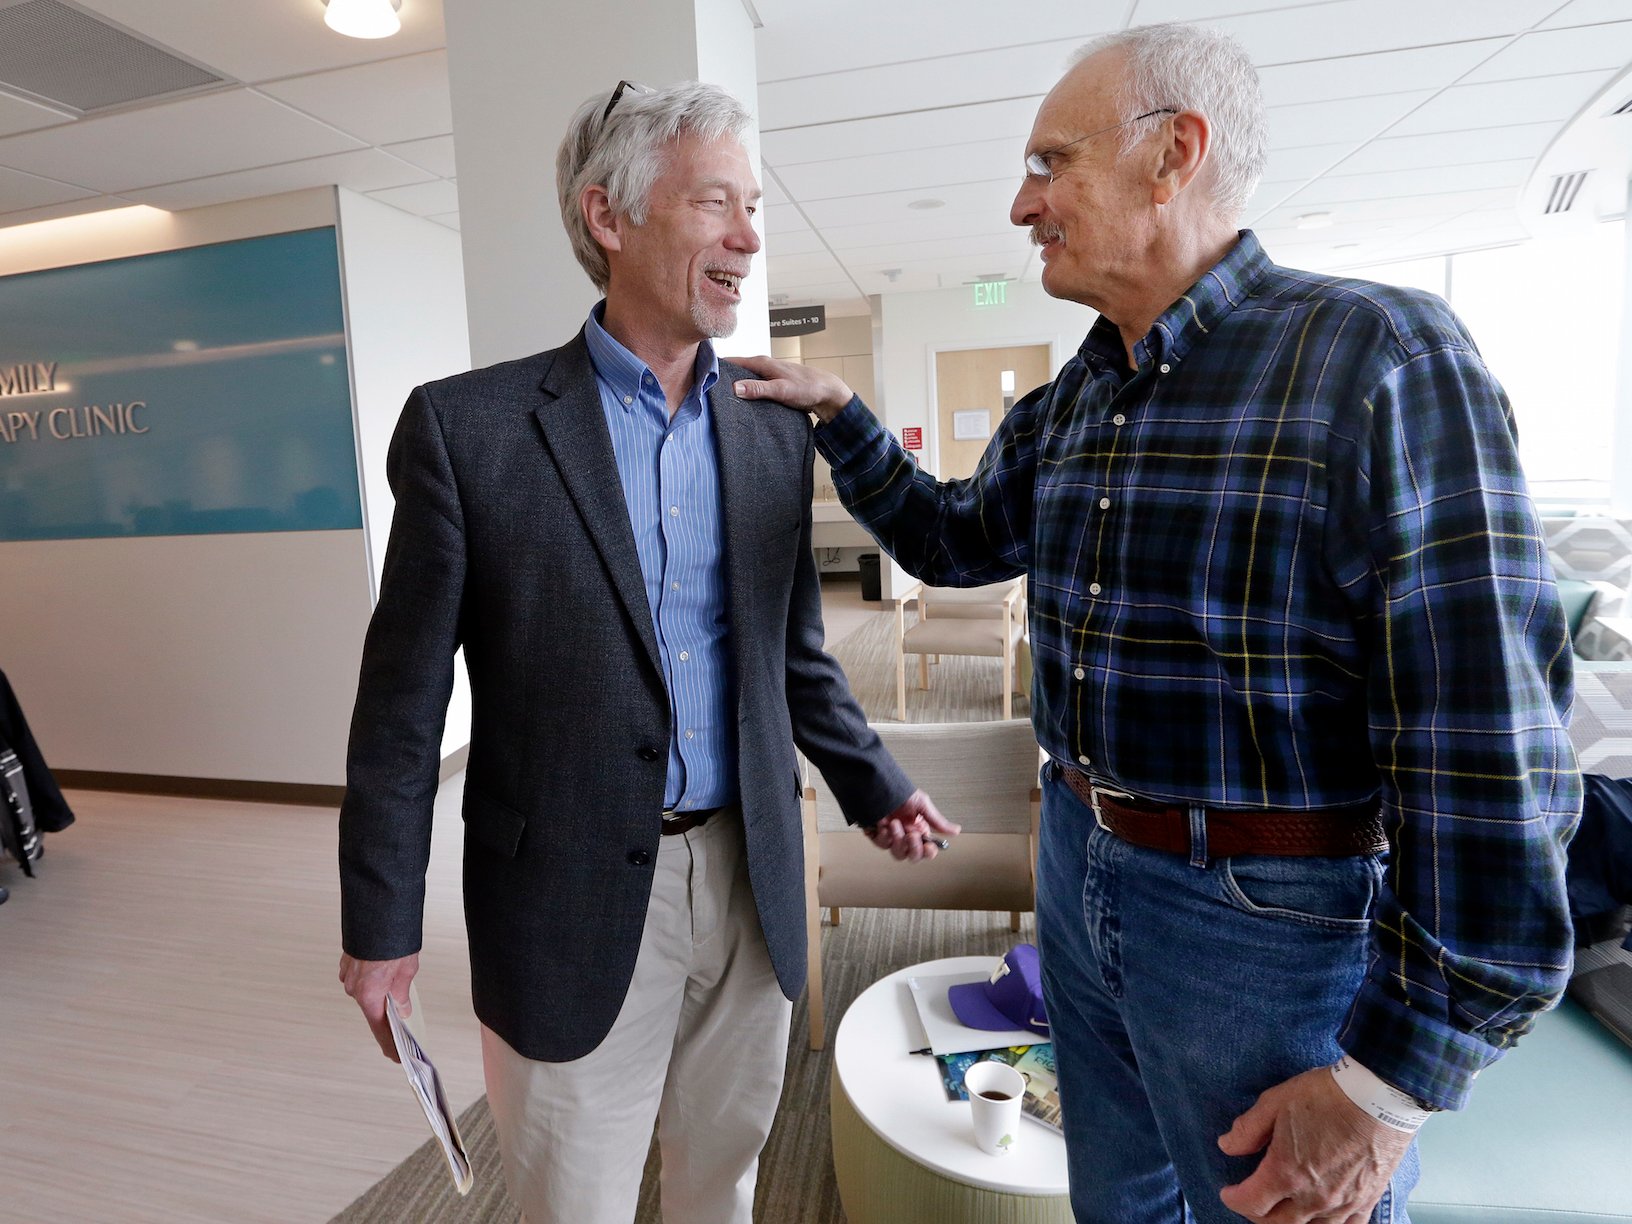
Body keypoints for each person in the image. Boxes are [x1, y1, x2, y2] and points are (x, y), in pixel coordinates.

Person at [733, 22, 1579, 1224]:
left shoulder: (1378, 361)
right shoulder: (1075, 401)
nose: (1022, 204)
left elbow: (1487, 749)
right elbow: (954, 539)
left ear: (1175, 153)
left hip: (1265, 927)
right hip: (1079, 865)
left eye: (1052, 163)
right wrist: (842, 415)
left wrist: (1390, 1088)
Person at [336, 79, 955, 1224]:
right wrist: (380, 927)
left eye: (753, 207)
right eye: (716, 202)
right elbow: (401, 710)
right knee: (576, 1197)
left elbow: (792, 656)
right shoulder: (468, 430)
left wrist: (875, 786)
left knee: (723, 1180)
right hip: (562, 894)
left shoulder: (772, 424)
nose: (749, 237)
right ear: (608, 216)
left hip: (752, 868)